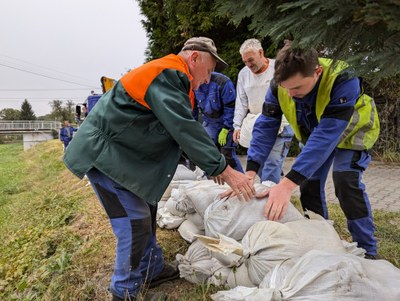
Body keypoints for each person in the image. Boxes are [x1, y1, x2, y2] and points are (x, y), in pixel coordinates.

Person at [63, 37, 255, 301]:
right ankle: (124, 291)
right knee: (135, 223)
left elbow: (177, 130)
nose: (209, 80)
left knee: (148, 209)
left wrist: (210, 164)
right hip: (104, 157)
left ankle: (151, 269)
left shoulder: (174, 80)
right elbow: (183, 128)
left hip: (120, 156)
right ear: (195, 58)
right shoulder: (168, 74)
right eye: (209, 71)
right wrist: (222, 169)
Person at [244, 40, 380, 258]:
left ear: (317, 72)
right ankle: (321, 242)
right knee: (308, 183)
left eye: (297, 87)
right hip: (316, 130)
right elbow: (266, 125)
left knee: (345, 180)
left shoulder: (343, 78)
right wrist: (250, 171)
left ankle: (367, 250)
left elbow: (327, 135)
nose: (290, 94)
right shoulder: (279, 85)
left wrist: (286, 185)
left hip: (352, 129)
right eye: (286, 88)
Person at [233, 38, 293, 184]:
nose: (248, 65)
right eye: (245, 62)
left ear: (261, 53)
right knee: (256, 163)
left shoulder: (277, 68)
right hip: (257, 125)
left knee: (272, 163)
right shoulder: (243, 74)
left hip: (281, 123)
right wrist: (237, 125)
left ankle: (270, 200)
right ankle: (270, 190)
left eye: (251, 60)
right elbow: (241, 102)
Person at [194, 72, 244, 172]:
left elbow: (231, 106)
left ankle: (242, 180)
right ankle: (214, 183)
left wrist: (226, 128)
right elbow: (193, 108)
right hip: (209, 123)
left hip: (226, 121)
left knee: (227, 155)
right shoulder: (193, 83)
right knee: (210, 155)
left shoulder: (222, 82)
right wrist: (193, 127)